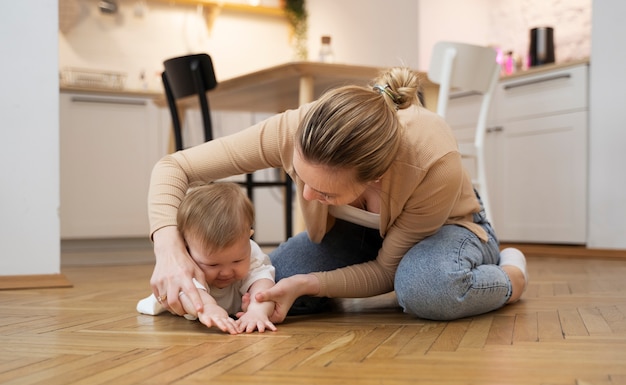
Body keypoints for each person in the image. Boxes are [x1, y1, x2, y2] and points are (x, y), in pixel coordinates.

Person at [148, 66, 528, 324]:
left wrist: (316, 283)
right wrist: (169, 252)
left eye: (325, 191)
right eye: (300, 176)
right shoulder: (295, 130)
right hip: (360, 234)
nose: (308, 196)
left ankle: (510, 275)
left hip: (451, 228)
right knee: (281, 279)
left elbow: (385, 271)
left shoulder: (431, 162)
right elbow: (173, 167)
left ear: (375, 177)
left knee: (423, 288)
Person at [138, 182, 277, 334]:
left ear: (248, 237)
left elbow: (264, 285)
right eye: (213, 265)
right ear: (187, 248)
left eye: (237, 261)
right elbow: (186, 294)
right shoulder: (185, 263)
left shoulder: (251, 252)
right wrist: (208, 307)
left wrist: (257, 311)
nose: (226, 272)